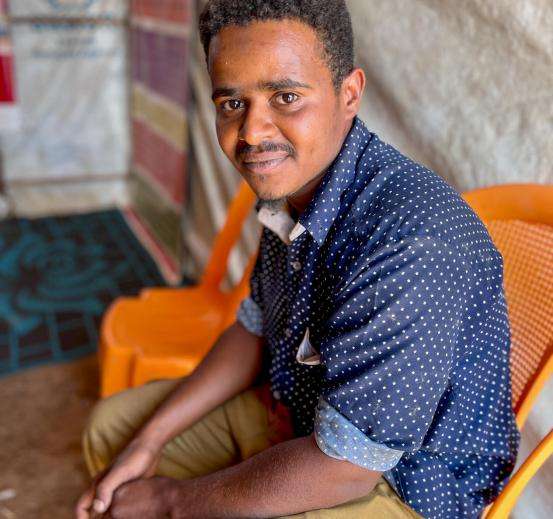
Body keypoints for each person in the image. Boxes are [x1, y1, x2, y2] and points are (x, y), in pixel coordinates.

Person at [76, 1, 520, 517]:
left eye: (285, 97)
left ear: (348, 93)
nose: (253, 133)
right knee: (114, 432)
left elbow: (349, 466)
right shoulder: (293, 187)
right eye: (231, 104)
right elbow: (254, 326)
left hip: (404, 482)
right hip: (298, 411)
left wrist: (171, 502)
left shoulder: (412, 243)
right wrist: (149, 441)